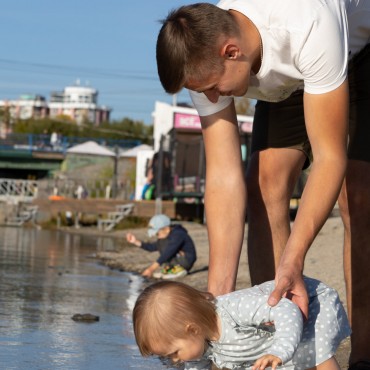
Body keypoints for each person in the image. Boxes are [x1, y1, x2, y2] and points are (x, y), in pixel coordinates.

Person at [156, 1, 370, 367]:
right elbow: (224, 177)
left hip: (357, 52)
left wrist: (293, 259)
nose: (210, 99)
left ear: (232, 52)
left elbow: (329, 158)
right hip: (286, 77)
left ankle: (365, 353)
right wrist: (215, 305)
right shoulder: (202, 56)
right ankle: (282, 349)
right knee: (263, 186)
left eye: (212, 89)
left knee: (358, 197)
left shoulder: (305, 25)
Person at [133, 277, 351, 370]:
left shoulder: (233, 310)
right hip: (279, 334)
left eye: (174, 353)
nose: (174, 361)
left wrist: (280, 350)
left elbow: (286, 309)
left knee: (313, 352)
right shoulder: (200, 345)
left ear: (192, 329)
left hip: (309, 304)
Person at [126, 214, 197, 279]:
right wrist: (135, 241)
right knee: (161, 242)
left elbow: (168, 253)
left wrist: (150, 269)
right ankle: (171, 269)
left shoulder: (178, 234)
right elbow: (152, 247)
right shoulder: (166, 236)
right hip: (177, 258)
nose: (157, 235)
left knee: (164, 245)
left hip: (185, 261)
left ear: (167, 229)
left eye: (157, 233)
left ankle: (179, 270)